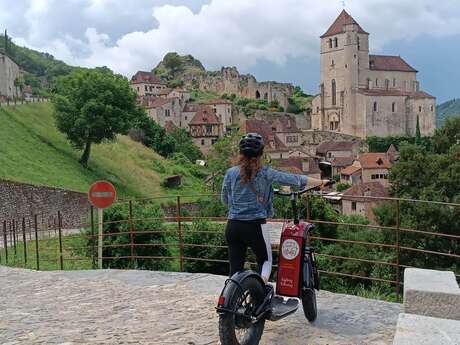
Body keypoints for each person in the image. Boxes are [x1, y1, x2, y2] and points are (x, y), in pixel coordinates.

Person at [221, 133, 329, 283]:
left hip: (232, 226)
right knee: (265, 261)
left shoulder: (230, 173)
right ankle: (261, 292)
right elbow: (294, 180)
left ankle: (229, 301)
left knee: (235, 269)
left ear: (241, 154)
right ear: (260, 155)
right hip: (255, 225)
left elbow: (225, 200)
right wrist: (320, 182)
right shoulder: (265, 173)